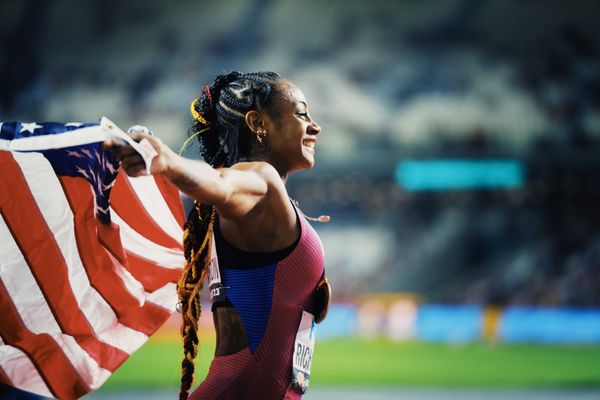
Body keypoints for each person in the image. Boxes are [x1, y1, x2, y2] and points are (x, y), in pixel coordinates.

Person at [104, 71, 331, 400]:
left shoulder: (270, 204)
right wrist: (164, 160)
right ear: (258, 123)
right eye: (301, 113)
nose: (315, 125)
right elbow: (220, 183)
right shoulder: (260, 181)